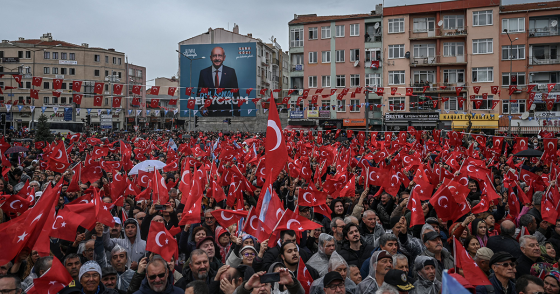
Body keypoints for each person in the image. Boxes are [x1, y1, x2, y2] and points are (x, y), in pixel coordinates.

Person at [197, 47, 240, 117]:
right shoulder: (203, 73)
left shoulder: (231, 72)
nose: (217, 58)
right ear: (210, 58)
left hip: (226, 114)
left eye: (220, 55)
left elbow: (235, 95)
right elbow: (200, 93)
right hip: (208, 115)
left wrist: (236, 115)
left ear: (224, 57)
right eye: (214, 56)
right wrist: (201, 107)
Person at [232, 268, 304, 294]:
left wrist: (292, 284)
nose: (262, 289)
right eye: (258, 286)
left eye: (265, 285)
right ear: (251, 290)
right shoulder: (248, 288)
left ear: (270, 286)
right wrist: (246, 286)